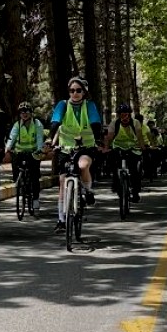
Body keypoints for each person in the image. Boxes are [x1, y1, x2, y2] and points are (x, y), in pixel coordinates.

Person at [45, 76, 102, 233]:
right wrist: (50, 138)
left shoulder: (89, 105)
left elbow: (95, 122)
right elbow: (56, 122)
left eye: (78, 90)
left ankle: (88, 190)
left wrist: (98, 138)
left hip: (86, 146)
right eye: (72, 90)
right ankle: (61, 220)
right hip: (66, 147)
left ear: (84, 92)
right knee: (63, 182)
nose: (75, 93)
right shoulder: (63, 105)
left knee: (83, 165)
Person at [101, 103, 145, 202]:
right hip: (118, 147)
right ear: (118, 115)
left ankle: (135, 191)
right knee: (113, 163)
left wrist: (142, 147)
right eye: (122, 114)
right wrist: (106, 148)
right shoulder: (114, 123)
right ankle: (116, 183)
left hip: (133, 148)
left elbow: (139, 136)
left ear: (130, 114)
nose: (124, 116)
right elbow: (109, 137)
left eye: (127, 114)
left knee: (134, 170)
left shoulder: (136, 123)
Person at [7, 101, 45, 212]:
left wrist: (39, 151)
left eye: (27, 111)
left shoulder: (37, 124)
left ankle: (36, 199)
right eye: (22, 112)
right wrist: (8, 148)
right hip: (20, 153)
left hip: (33, 153)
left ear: (31, 113)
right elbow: (12, 137)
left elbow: (39, 139)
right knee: (17, 174)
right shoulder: (17, 125)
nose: (24, 114)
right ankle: (22, 188)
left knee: (34, 177)